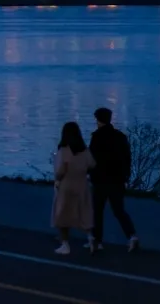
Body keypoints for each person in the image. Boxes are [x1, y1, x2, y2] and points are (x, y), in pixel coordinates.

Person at [89, 107, 140, 253]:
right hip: (117, 179)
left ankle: (97, 241)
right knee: (119, 210)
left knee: (97, 211)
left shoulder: (97, 137)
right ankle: (131, 236)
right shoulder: (120, 136)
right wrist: (125, 175)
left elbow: (92, 158)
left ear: (98, 120)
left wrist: (89, 173)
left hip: (100, 180)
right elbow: (127, 157)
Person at [53, 121, 96, 255]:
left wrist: (57, 180)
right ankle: (90, 237)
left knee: (62, 215)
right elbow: (92, 165)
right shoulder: (85, 150)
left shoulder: (64, 150)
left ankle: (65, 244)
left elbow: (60, 170)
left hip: (66, 185)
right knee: (84, 212)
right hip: (82, 184)